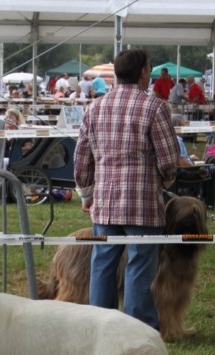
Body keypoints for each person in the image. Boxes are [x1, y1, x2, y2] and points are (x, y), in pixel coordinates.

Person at [73, 49, 179, 331]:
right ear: (144, 72)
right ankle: (136, 327)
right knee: (140, 265)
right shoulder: (155, 108)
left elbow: (82, 158)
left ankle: (99, 326)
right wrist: (164, 182)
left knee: (103, 264)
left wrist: (87, 194)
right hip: (143, 203)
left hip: (105, 204)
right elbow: (169, 160)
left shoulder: (94, 108)